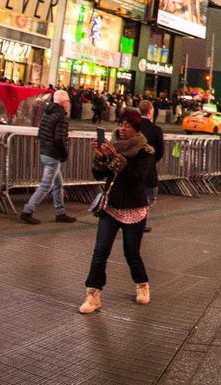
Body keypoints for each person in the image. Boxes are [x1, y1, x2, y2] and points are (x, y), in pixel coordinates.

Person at [80, 109, 157, 313]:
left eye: (127, 126)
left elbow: (136, 179)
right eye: (120, 125)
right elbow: (99, 175)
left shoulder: (145, 151)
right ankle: (93, 295)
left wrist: (116, 158)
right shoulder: (111, 147)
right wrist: (100, 158)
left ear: (136, 128)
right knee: (100, 251)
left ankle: (142, 284)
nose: (122, 129)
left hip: (134, 208)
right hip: (111, 206)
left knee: (131, 252)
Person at [21, 89, 75, 223]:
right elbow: (59, 138)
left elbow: (42, 132)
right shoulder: (61, 115)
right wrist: (64, 154)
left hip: (45, 151)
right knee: (46, 185)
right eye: (67, 101)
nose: (67, 104)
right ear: (64, 102)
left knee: (58, 184)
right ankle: (28, 210)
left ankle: (60, 212)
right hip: (53, 154)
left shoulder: (47, 112)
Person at [137, 99, 164, 225]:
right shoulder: (156, 130)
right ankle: (141, 221)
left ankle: (134, 220)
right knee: (149, 196)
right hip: (149, 168)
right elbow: (160, 151)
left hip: (134, 167)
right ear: (150, 112)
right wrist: (153, 160)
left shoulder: (134, 127)